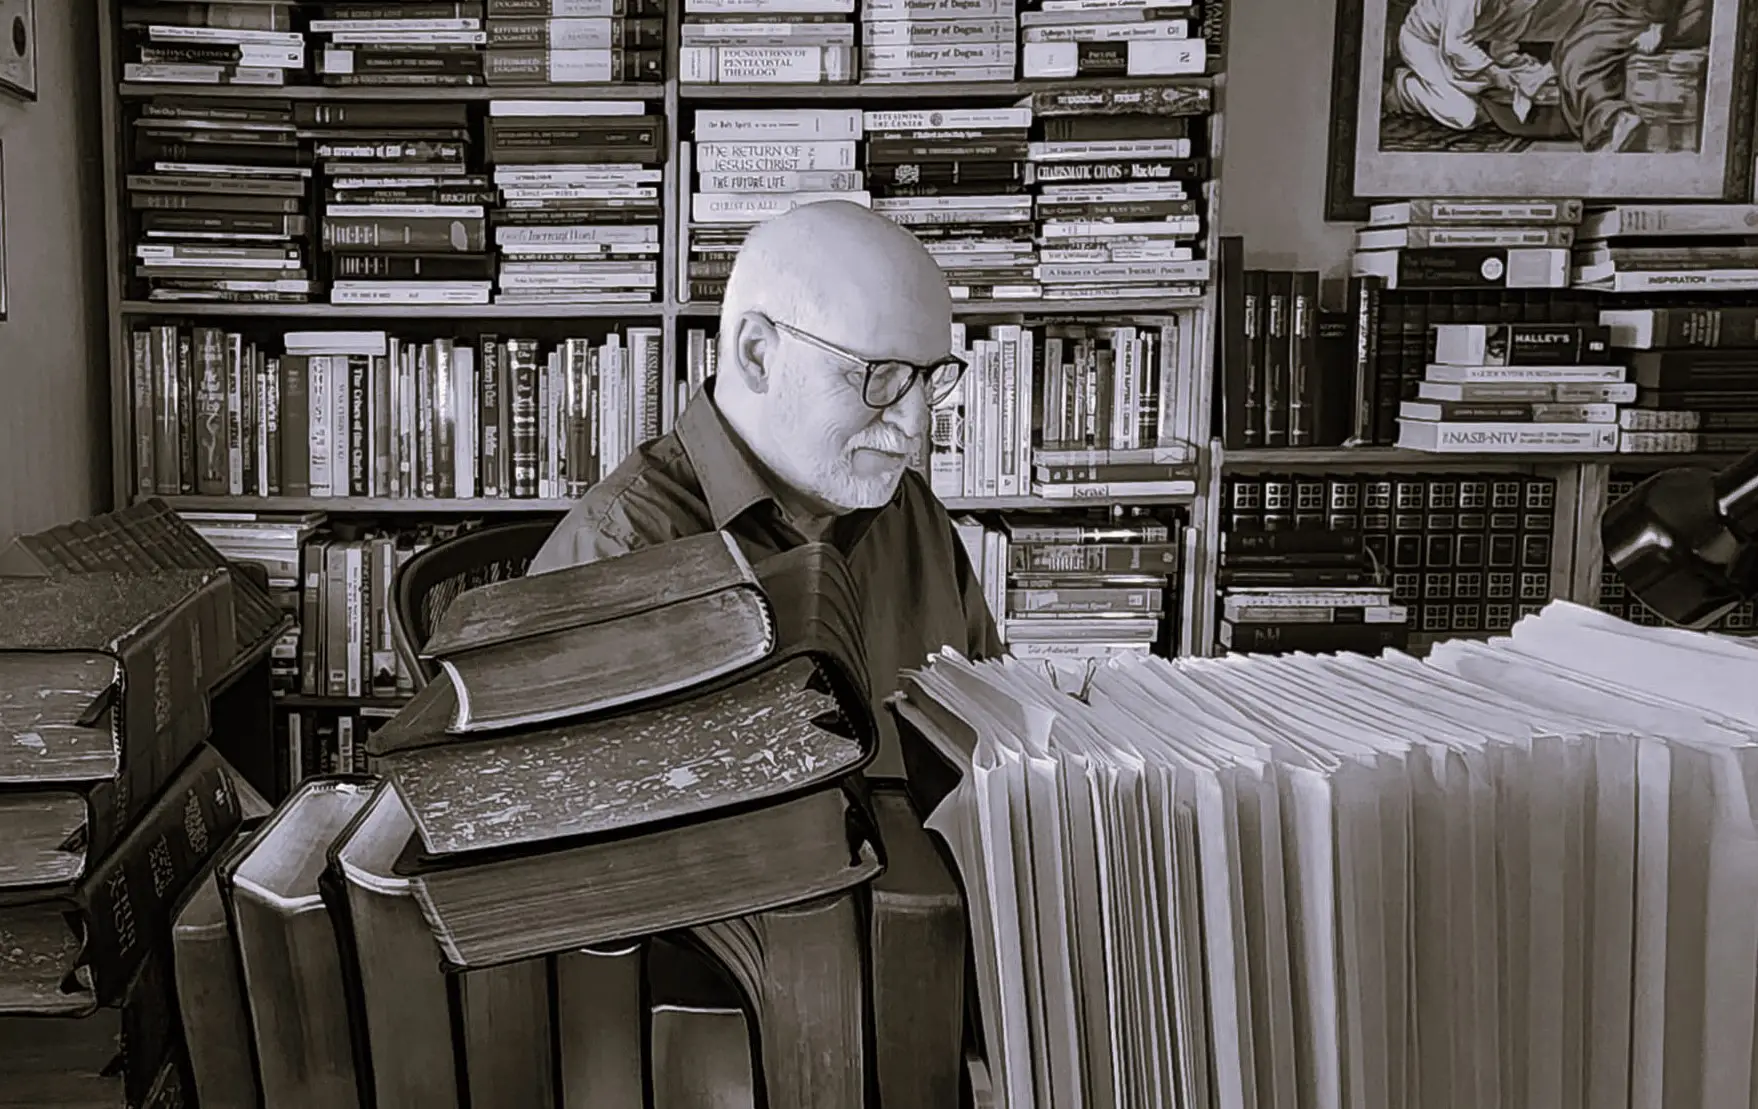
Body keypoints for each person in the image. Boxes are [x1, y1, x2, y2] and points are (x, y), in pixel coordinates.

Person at [528, 198, 1005, 775]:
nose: (917, 424)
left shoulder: (914, 512)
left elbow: (993, 735)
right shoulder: (612, 555)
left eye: (929, 379)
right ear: (758, 354)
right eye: (881, 375)